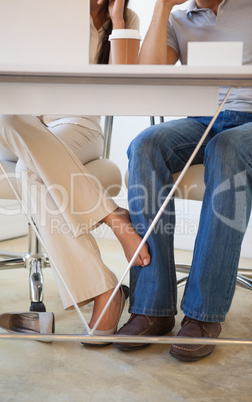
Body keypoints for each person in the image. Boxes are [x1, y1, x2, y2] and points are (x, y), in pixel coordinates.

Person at [0, 0, 150, 339]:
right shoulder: (46, 8)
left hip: (78, 126)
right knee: (3, 118)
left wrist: (118, 19)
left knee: (29, 172)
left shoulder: (125, 17)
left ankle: (104, 290)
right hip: (22, 122)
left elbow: (125, 88)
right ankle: (110, 216)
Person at [113, 0, 252, 361]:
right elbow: (148, 77)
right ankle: (151, 307)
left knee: (226, 147)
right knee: (145, 144)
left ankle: (203, 315)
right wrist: (161, 7)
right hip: (203, 117)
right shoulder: (177, 17)